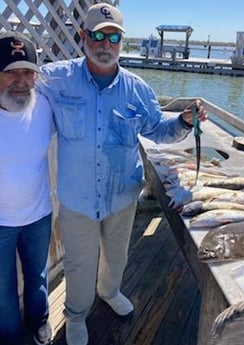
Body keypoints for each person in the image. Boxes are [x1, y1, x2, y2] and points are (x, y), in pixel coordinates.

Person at [38, 3, 208, 345]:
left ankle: (110, 291)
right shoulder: (54, 79)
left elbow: (159, 129)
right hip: (77, 197)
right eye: (97, 35)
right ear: (83, 36)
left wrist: (184, 122)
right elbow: (20, 85)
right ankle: (75, 314)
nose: (105, 44)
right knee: (78, 263)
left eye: (113, 37)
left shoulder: (138, 89)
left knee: (117, 254)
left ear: (121, 42)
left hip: (122, 193)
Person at [0, 31, 53, 345]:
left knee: (38, 279)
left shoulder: (45, 106)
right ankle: (9, 337)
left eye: (28, 72)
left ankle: (39, 322)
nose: (20, 81)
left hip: (39, 215)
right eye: (10, 72)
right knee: (2, 291)